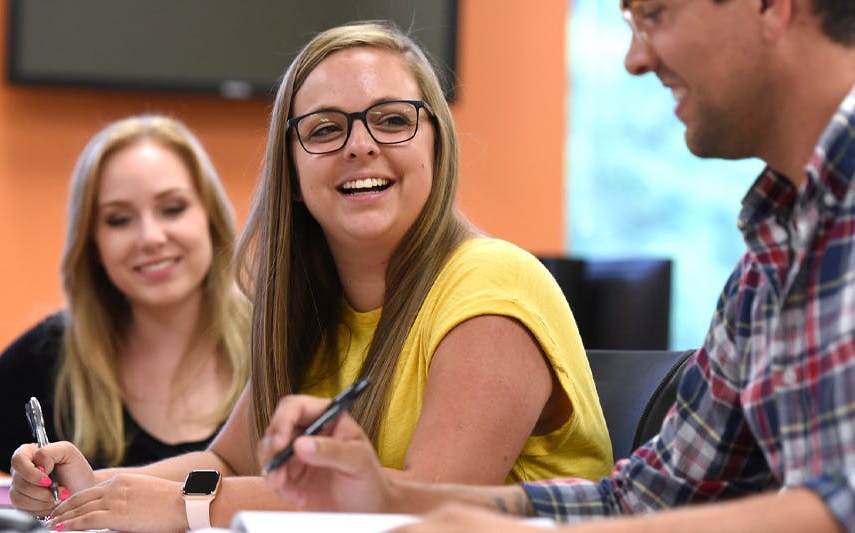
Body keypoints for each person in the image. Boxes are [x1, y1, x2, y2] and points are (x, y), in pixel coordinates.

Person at [258, 0, 855, 531]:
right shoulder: (774, 249)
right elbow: (647, 498)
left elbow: (840, 503)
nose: (634, 59)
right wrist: (388, 498)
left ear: (773, 7)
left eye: (654, 15)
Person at [8, 21, 613, 531]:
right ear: (292, 176)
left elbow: (432, 503)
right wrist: (96, 488)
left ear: (436, 144)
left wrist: (186, 508)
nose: (360, 145)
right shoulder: (312, 306)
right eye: (326, 128)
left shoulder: (492, 283)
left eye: (392, 119)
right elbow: (227, 459)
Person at [0, 114, 250, 485]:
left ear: (211, 218)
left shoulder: (280, 340)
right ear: (93, 244)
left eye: (172, 209)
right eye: (119, 219)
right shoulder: (53, 352)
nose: (150, 237)